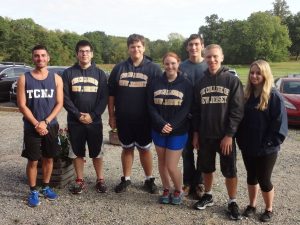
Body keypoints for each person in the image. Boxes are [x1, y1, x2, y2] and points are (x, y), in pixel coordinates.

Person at [192, 44, 244, 220]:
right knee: (206, 168)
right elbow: (196, 111)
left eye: (215, 56)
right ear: (204, 58)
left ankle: (232, 201)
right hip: (206, 135)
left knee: (230, 170)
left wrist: (229, 135)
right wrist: (196, 133)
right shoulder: (200, 83)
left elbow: (237, 110)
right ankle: (208, 195)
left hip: (225, 137)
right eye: (208, 57)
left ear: (222, 57)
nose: (212, 60)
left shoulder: (232, 80)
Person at [108, 34, 162, 194]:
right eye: (132, 47)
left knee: (145, 149)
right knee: (127, 148)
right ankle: (126, 178)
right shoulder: (119, 68)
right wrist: (111, 116)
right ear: (128, 49)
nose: (136, 49)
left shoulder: (153, 68)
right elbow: (111, 94)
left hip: (145, 119)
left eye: (139, 46)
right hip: (124, 118)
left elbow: (159, 94)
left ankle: (148, 179)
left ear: (144, 48)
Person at [236, 60, 288, 222]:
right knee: (251, 177)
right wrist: (241, 140)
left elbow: (280, 126)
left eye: (258, 73)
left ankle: (269, 208)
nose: (254, 76)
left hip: (267, 149)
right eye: (252, 72)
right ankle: (252, 205)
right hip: (248, 146)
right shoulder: (246, 96)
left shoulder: (274, 97)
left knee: (264, 180)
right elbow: (240, 121)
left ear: (265, 74)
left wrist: (268, 144)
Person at [17, 44, 63, 207]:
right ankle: (33, 190)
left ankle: (45, 187)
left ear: (48, 57)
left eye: (43, 55)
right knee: (33, 160)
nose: (40, 58)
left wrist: (46, 121)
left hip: (50, 125)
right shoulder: (24, 78)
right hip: (32, 127)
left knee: (49, 158)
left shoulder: (56, 78)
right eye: (36, 55)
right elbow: (22, 105)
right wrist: (37, 123)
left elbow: (59, 103)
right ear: (33, 58)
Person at [62, 40, 108, 194]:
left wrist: (93, 115)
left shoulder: (100, 74)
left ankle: (100, 179)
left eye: (87, 51)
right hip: (75, 121)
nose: (84, 54)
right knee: (77, 152)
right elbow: (65, 97)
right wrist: (77, 115)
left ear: (92, 54)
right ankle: (79, 180)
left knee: (97, 152)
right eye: (81, 51)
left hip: (94, 121)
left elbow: (103, 98)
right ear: (77, 54)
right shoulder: (68, 73)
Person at [148, 52, 193, 205]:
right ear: (163, 64)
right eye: (167, 63)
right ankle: (166, 188)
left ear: (178, 63)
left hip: (178, 131)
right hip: (158, 129)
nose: (170, 66)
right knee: (161, 162)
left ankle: (178, 190)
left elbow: (186, 109)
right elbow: (150, 106)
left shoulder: (186, 83)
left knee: (171, 165)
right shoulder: (155, 82)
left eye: (173, 63)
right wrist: (161, 123)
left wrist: (171, 125)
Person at [179, 34, 207, 198]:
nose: (194, 47)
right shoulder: (181, 67)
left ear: (202, 46)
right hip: (185, 117)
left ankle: (200, 183)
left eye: (197, 44)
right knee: (186, 152)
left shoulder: (208, 65)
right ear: (187, 48)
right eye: (191, 45)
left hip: (205, 118)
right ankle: (188, 182)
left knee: (203, 153)